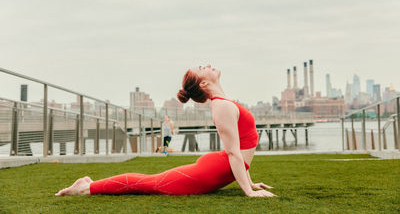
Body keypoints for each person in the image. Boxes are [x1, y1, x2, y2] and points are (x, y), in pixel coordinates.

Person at [55, 65, 276, 197]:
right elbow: (234, 153)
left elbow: (240, 149)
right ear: (203, 84)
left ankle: (89, 185)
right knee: (150, 183)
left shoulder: (224, 103)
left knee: (150, 181)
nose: (208, 65)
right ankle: (87, 187)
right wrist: (248, 191)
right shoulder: (222, 106)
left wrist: (250, 182)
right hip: (209, 172)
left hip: (216, 167)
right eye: (202, 68)